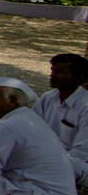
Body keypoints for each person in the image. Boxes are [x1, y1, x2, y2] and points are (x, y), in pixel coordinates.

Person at [31, 53, 88, 187]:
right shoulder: (48, 98)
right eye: (52, 70)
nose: (53, 75)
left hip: (74, 163)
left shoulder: (85, 106)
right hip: (44, 157)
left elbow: (81, 153)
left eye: (60, 72)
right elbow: (30, 128)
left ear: (78, 77)